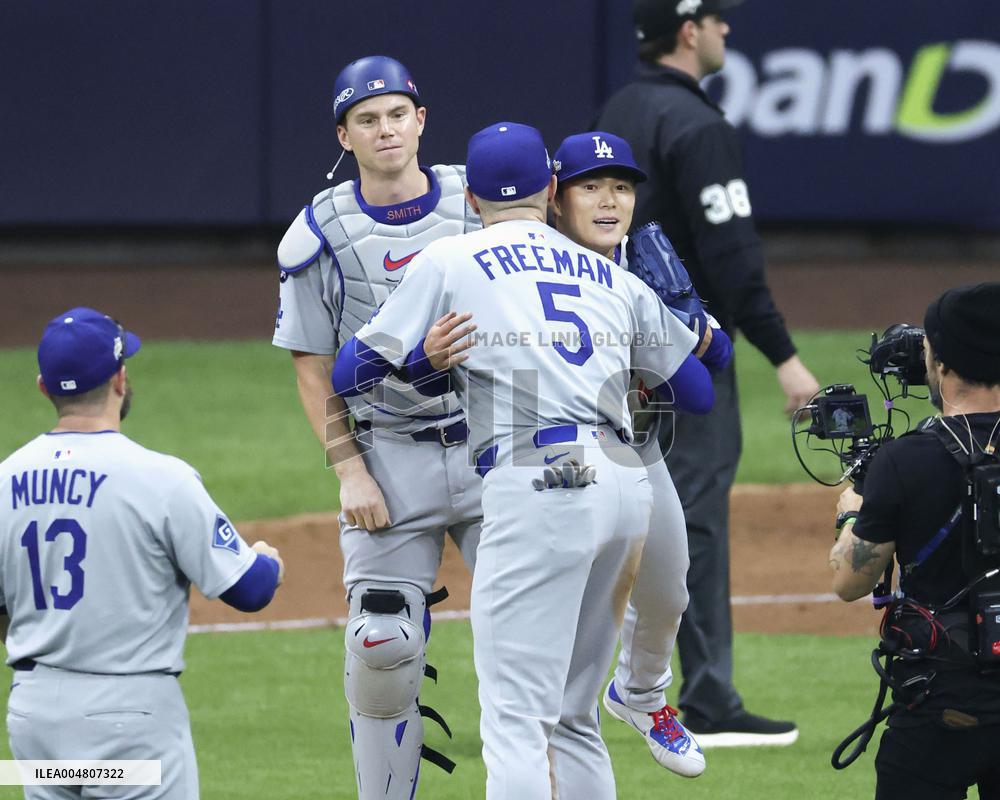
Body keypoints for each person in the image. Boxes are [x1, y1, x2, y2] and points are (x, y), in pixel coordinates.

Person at [332, 121, 711, 800]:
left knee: (517, 721)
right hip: (623, 487)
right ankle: (643, 694)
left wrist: (427, 360)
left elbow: (350, 371)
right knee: (571, 716)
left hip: (538, 484)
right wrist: (671, 329)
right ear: (554, 189)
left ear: (471, 199)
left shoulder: (450, 259)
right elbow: (698, 392)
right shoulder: (606, 272)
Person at [595, 0, 819, 744]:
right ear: (690, 32)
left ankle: (584, 679)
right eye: (721, 19)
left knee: (618, 511)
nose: (729, 30)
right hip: (683, 351)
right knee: (692, 517)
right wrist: (785, 357)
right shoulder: (699, 126)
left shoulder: (619, 107)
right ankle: (704, 698)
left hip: (606, 346)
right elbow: (733, 261)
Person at [270, 55, 482, 799]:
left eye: (397, 113)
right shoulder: (319, 232)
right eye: (368, 118)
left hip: (495, 444)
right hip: (391, 453)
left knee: (539, 642)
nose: (385, 129)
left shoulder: (481, 199)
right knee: (381, 645)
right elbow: (310, 366)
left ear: (421, 120)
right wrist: (349, 470)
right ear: (345, 134)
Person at [0, 307, 284, 800]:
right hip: (127, 724)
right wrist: (268, 560)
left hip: (35, 719)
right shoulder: (161, 479)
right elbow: (251, 589)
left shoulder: (5, 480)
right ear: (120, 378)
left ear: (44, 388)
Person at [549, 129, 732, 777]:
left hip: (633, 455)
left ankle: (642, 693)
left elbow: (714, 365)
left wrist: (688, 319)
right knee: (560, 607)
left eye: (621, 187)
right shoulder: (532, 261)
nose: (608, 200)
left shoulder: (643, 264)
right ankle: (550, 721)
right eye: (590, 186)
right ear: (556, 197)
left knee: (667, 590)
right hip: (539, 461)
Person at [829, 283, 1000, 800]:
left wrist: (850, 516)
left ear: (943, 365)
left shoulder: (906, 460)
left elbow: (850, 582)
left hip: (942, 705)